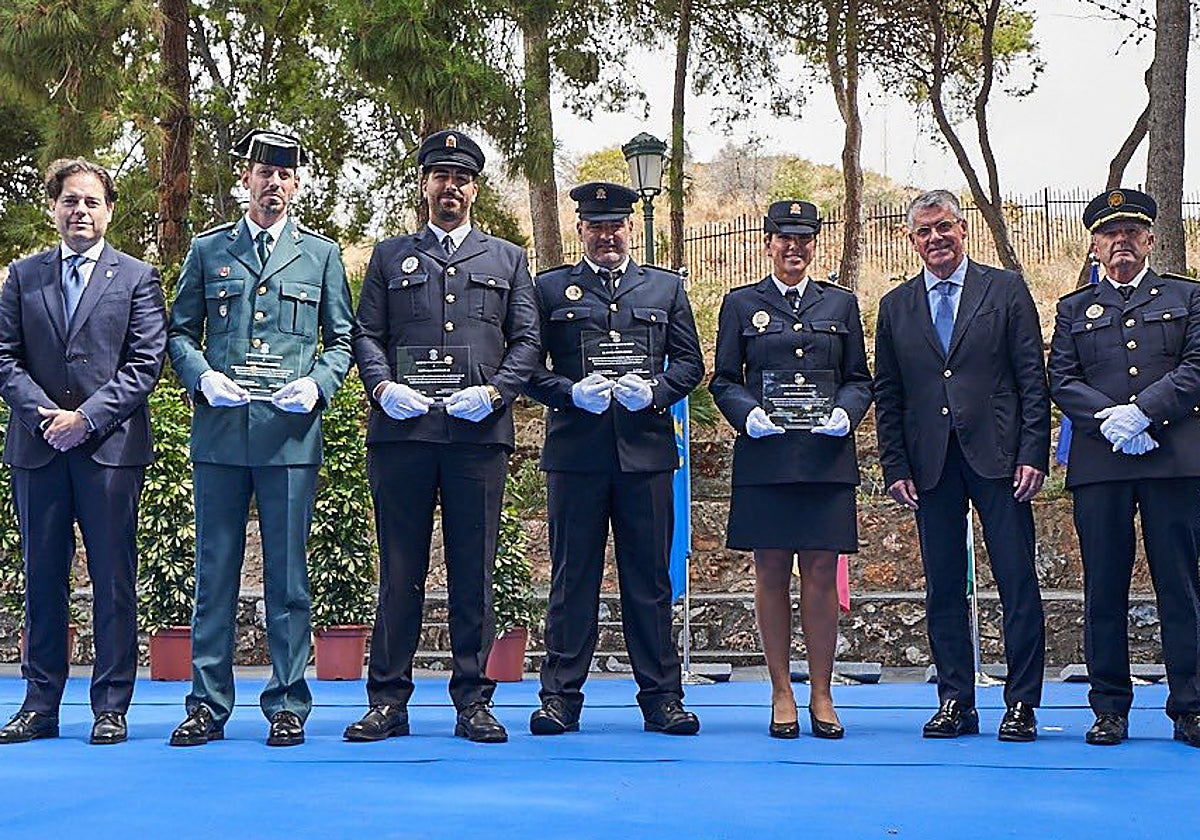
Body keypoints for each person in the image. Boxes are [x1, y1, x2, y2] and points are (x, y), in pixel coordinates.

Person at [344, 129, 538, 744]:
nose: (449, 187)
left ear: (473, 189)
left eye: (460, 178)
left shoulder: (505, 258)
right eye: (439, 176)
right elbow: (365, 334)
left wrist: (498, 392)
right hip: (403, 434)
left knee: (472, 569)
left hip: (476, 436)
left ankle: (472, 701)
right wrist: (380, 388)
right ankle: (388, 700)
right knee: (399, 568)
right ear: (424, 185)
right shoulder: (387, 255)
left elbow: (528, 340)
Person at [166, 130, 354, 747]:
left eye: (285, 173)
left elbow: (343, 342)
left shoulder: (320, 255)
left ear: (297, 184)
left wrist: (319, 385)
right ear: (245, 177)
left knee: (289, 577)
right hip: (221, 434)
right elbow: (179, 333)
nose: (273, 182)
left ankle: (288, 703)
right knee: (214, 573)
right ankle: (207, 703)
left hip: (288, 438)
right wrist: (203, 377)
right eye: (262, 170)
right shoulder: (207, 250)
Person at [524, 182, 705, 736]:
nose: (607, 235)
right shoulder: (550, 289)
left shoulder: (664, 288)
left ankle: (661, 698)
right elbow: (526, 367)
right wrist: (568, 391)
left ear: (629, 228)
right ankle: (559, 698)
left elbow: (691, 364)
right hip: (577, 453)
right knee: (571, 578)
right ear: (580, 230)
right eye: (596, 226)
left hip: (645, 454)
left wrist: (654, 391)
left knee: (649, 581)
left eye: (616, 225)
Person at [0, 159, 166, 746]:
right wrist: (47, 417)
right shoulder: (23, 276)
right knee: (42, 578)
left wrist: (86, 418)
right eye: (70, 201)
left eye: (92, 202)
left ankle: (111, 706)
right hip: (38, 447)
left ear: (110, 210)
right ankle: (39, 703)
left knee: (112, 578)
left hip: (109, 452)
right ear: (54, 208)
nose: (81, 212)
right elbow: (5, 357)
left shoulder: (137, 277)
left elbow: (146, 363)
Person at [874, 189, 1049, 741]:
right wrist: (894, 464)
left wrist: (1032, 453)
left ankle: (1022, 703)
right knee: (943, 586)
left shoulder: (1006, 290)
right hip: (931, 465)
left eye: (943, 227)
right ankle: (956, 700)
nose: (935, 239)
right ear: (911, 240)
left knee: (1017, 582)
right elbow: (889, 392)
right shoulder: (895, 306)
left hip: (1000, 460)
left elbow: (1032, 380)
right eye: (923, 231)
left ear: (963, 228)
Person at [709, 200, 871, 739]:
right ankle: (781, 689)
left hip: (824, 457)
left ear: (815, 244)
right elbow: (725, 379)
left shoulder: (841, 304)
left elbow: (858, 378)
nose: (794, 248)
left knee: (822, 573)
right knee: (772, 571)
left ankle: (821, 691)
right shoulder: (740, 304)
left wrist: (847, 414)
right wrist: (747, 414)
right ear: (768, 241)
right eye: (785, 239)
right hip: (767, 455)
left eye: (804, 239)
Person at [1048, 189, 1200, 747]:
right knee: (1103, 586)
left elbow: (1197, 365)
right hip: (1101, 463)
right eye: (1111, 235)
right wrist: (1109, 419)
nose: (1121, 244)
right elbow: (1061, 379)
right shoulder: (1071, 309)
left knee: (1179, 585)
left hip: (1173, 460)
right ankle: (1109, 706)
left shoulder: (1187, 296)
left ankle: (1191, 704)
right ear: (1094, 244)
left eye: (1132, 233)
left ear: (1151, 240)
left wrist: (1144, 413)